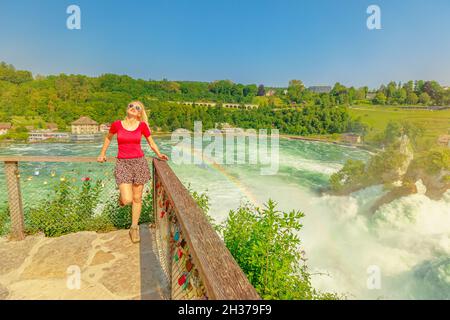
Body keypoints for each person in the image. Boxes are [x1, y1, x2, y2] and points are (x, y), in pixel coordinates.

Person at [97, 101, 168, 243]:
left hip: (139, 163)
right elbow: (108, 138)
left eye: (137, 108)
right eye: (131, 105)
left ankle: (134, 228)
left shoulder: (142, 126)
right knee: (127, 199)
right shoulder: (117, 124)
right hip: (122, 163)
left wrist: (159, 154)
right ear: (127, 108)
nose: (133, 108)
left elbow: (151, 142)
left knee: (137, 198)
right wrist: (102, 153)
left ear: (140, 113)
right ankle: (122, 198)